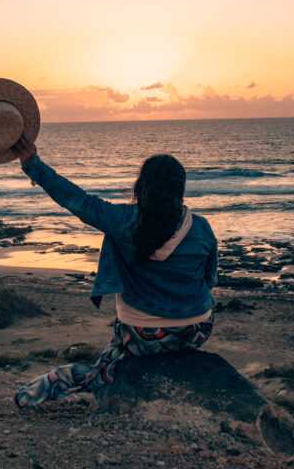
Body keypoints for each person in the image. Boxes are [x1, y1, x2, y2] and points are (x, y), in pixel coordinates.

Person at [12, 136, 218, 408]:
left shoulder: (123, 221)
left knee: (97, 375)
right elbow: (209, 280)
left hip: (141, 333)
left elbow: (77, 200)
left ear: (142, 187)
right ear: (180, 189)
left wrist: (32, 163)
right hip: (196, 329)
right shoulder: (201, 227)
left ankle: (40, 391)